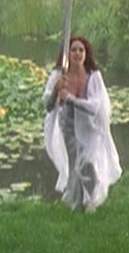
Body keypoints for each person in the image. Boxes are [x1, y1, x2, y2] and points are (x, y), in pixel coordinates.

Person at [42, 36, 122, 212]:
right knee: (75, 166)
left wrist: (70, 99)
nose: (77, 53)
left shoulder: (93, 77)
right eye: (73, 50)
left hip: (90, 128)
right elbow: (48, 106)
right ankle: (77, 202)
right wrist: (56, 90)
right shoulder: (58, 76)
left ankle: (92, 201)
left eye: (81, 50)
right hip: (68, 128)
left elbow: (94, 107)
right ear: (67, 54)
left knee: (88, 163)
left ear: (86, 54)